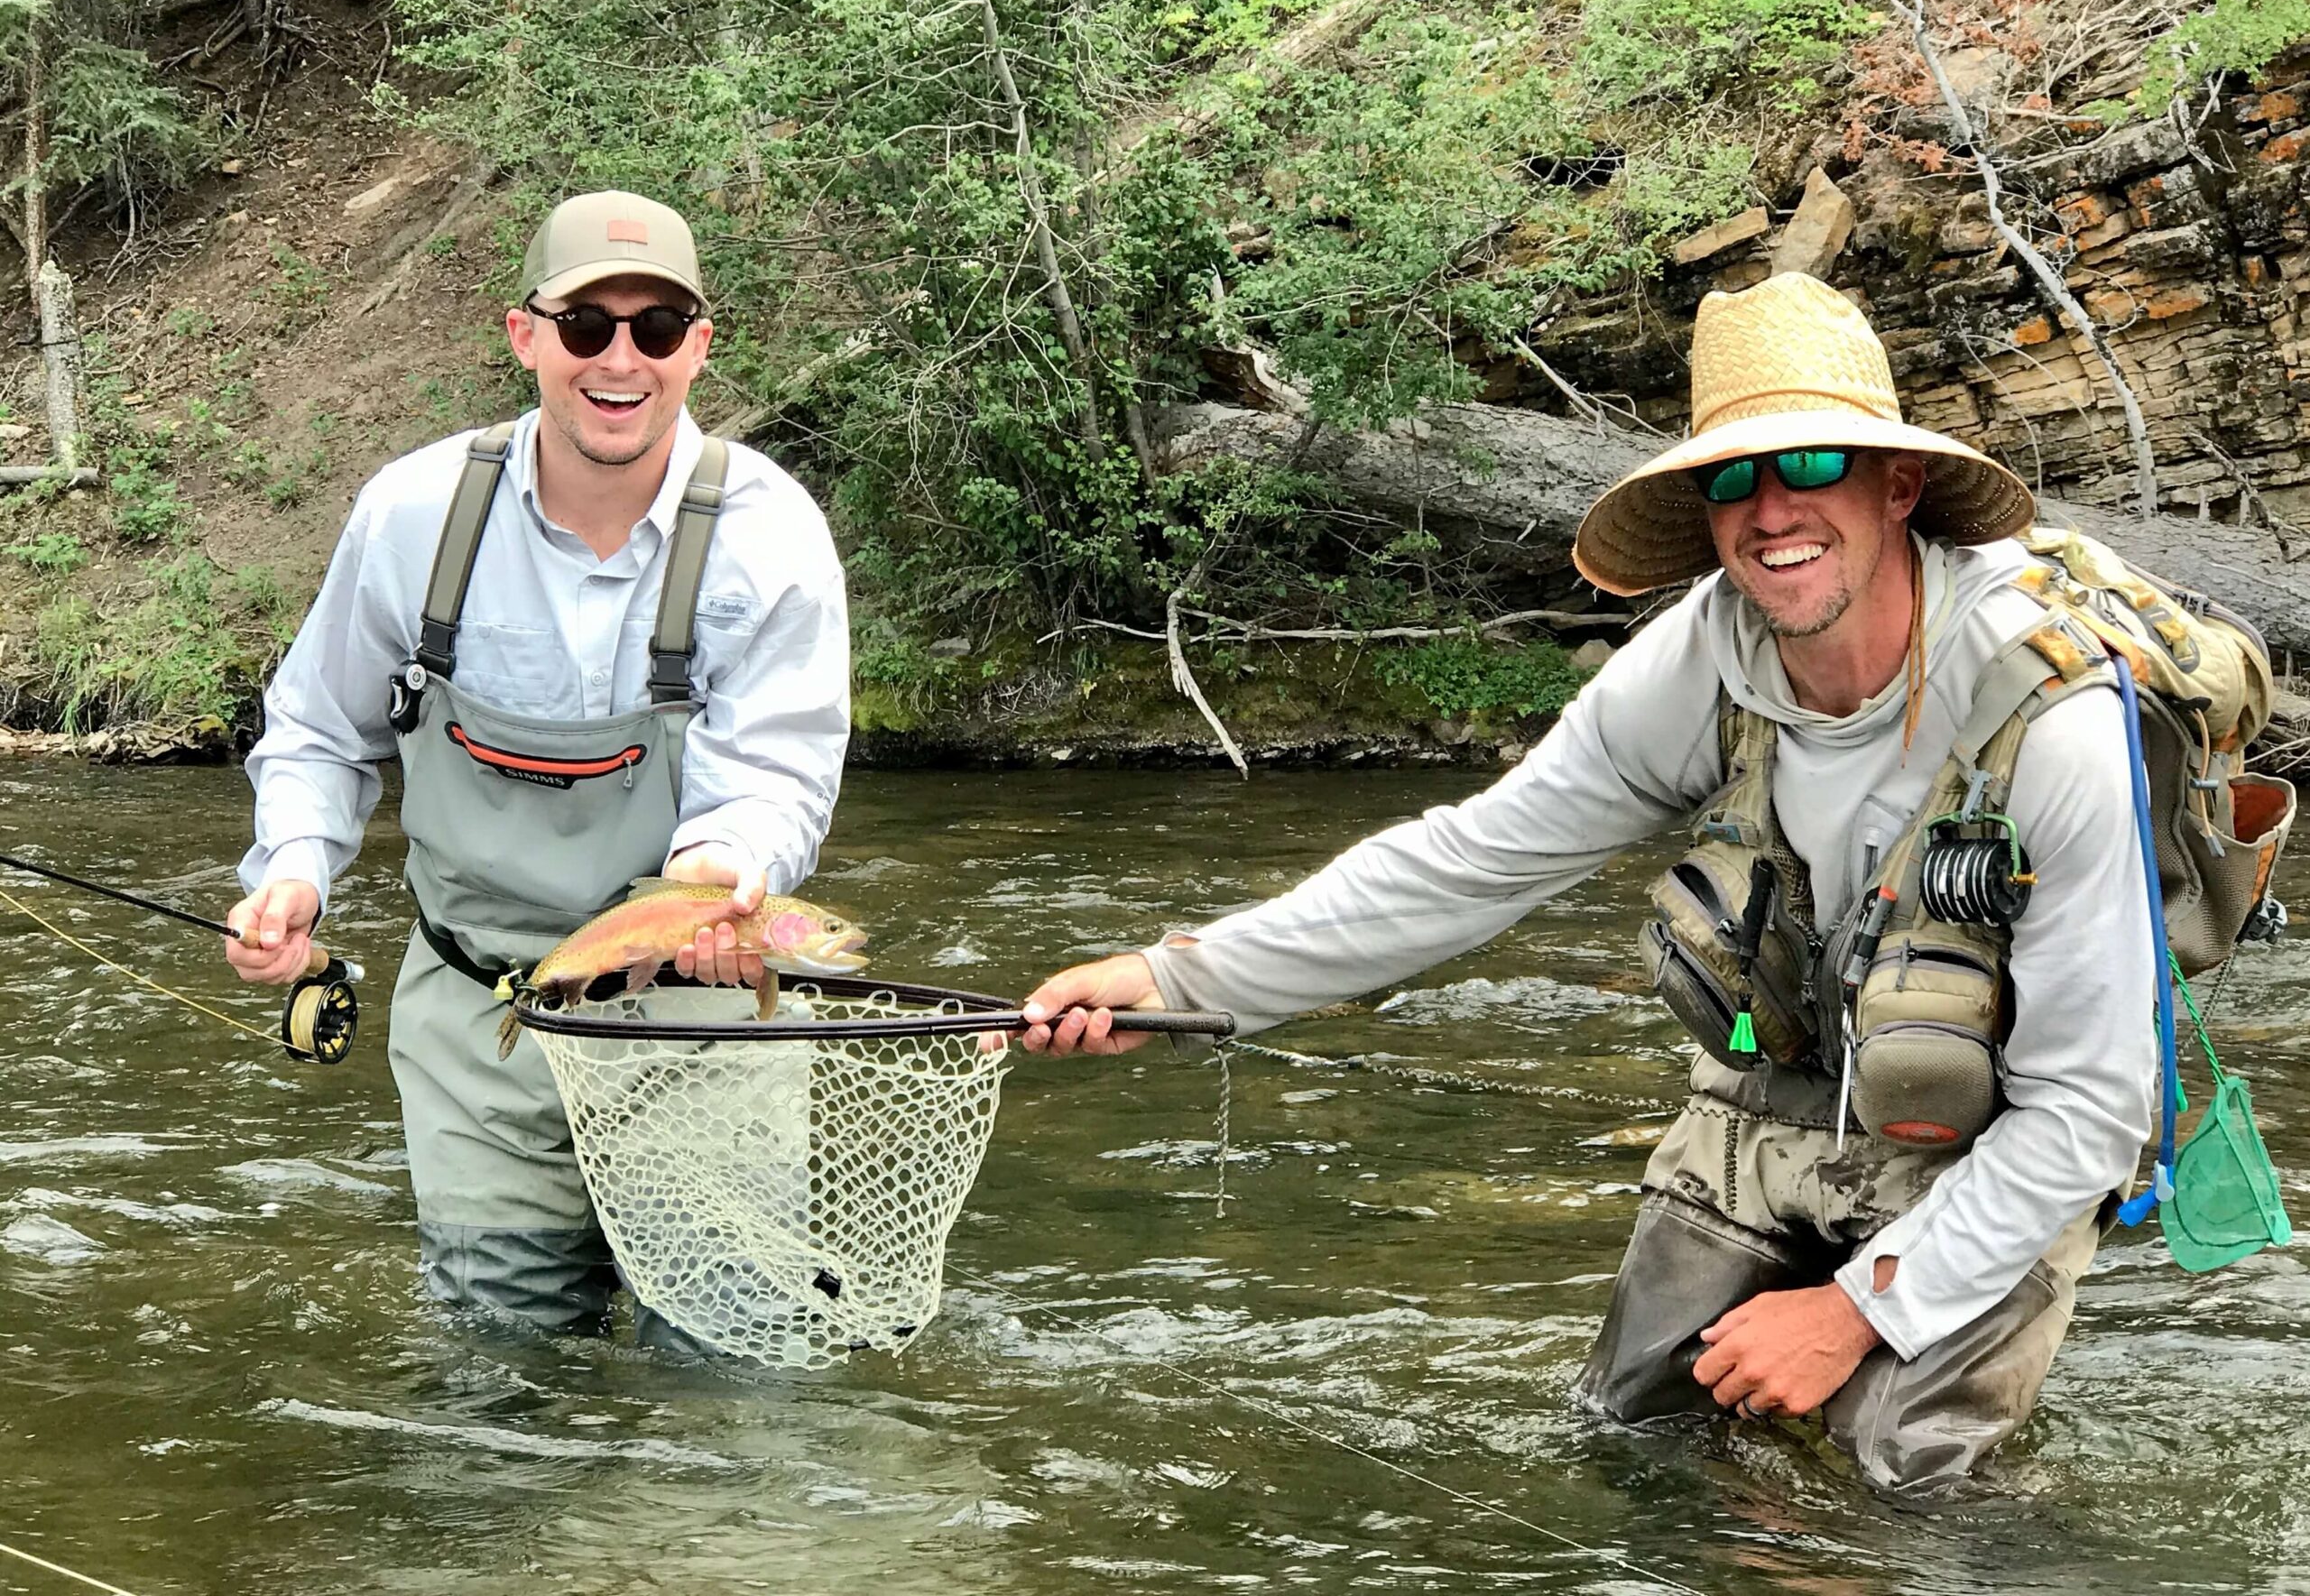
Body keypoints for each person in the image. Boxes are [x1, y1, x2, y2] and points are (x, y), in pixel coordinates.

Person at [1016, 272, 2155, 1496]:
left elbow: (2091, 1113)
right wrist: (1180, 976)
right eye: (1732, 480)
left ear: (1897, 485)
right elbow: (1467, 864)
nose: (1771, 512)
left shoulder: (2054, 715)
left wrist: (1858, 1312)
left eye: (1811, 467)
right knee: (1630, 1451)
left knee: (1897, 1489)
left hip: (1994, 1142)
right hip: (1768, 1104)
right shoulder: (1696, 665)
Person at [224, 190, 850, 1334]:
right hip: (479, 1013)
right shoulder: (412, 512)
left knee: (725, 1361)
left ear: (698, 348)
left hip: (696, 1016)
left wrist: (723, 871)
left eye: (656, 328)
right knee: (499, 1376)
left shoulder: (771, 532)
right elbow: (319, 727)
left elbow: (775, 773)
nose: (621, 358)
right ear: (525, 337)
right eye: (585, 326)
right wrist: (295, 869)